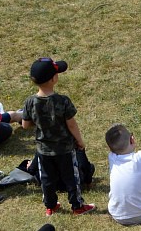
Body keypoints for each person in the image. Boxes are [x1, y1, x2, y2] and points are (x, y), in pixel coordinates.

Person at [21, 57, 95, 216]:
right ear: (53, 78)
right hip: (65, 149)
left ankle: (51, 206)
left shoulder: (30, 102)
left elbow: (25, 125)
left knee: (47, 180)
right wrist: (80, 141)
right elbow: (72, 125)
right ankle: (77, 206)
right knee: (71, 178)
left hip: (43, 150)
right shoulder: (62, 101)